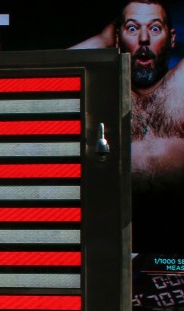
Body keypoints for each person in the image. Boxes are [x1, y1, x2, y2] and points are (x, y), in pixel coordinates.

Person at [71, 0, 184, 195]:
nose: (144, 39)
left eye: (155, 29)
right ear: (117, 38)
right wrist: (104, 39)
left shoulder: (180, 84)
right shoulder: (103, 92)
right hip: (116, 222)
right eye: (132, 28)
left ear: (172, 38)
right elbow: (51, 73)